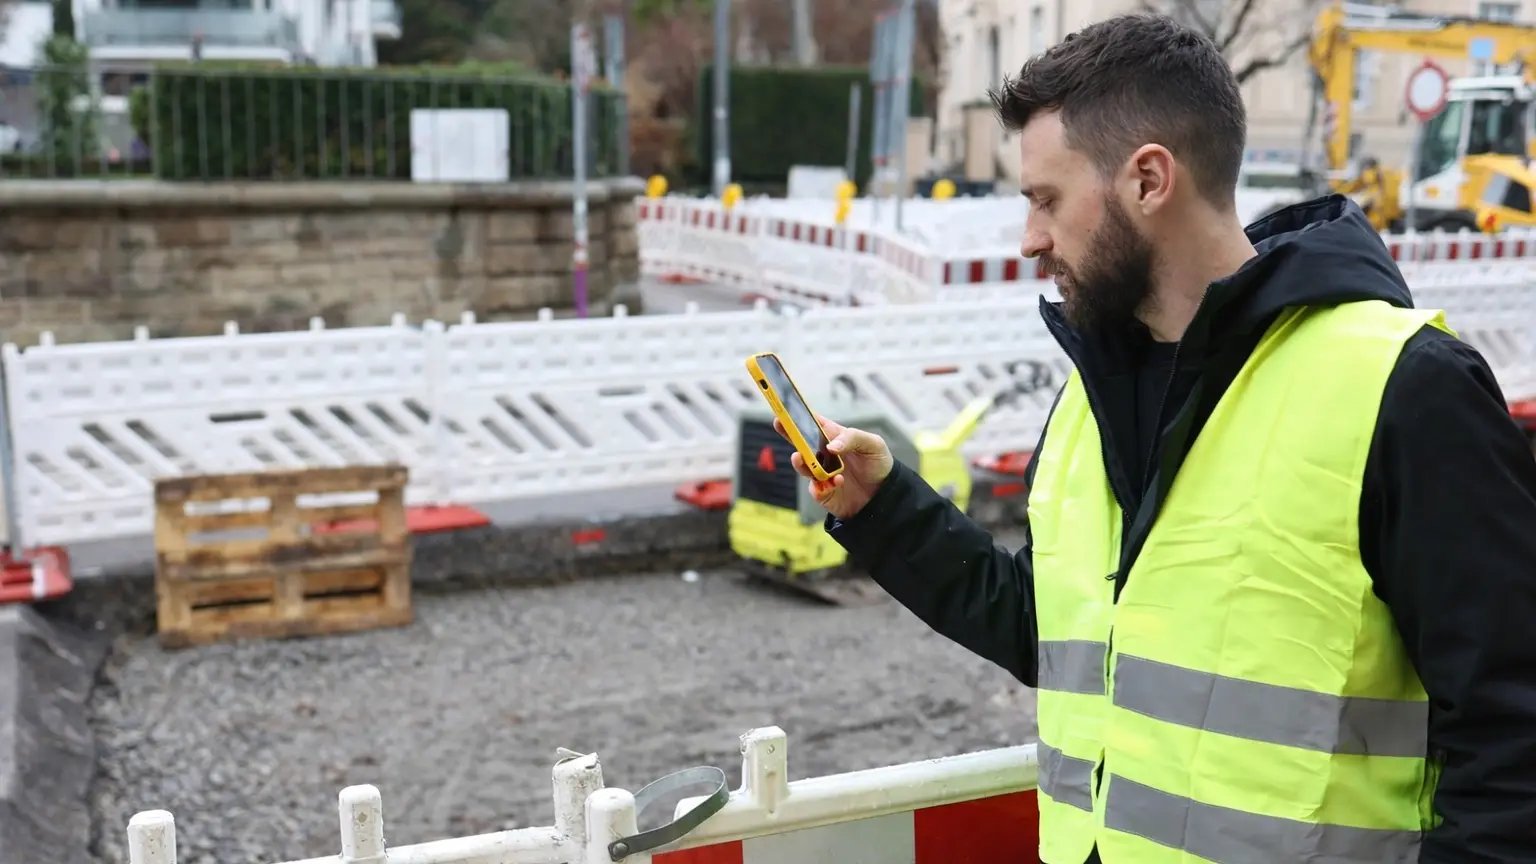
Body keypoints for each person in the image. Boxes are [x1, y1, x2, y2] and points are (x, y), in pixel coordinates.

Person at [779, 14, 1536, 864]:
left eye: (1046, 199)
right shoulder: (1090, 395)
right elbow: (1059, 633)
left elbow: (1513, 747)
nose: (1030, 239)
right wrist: (884, 509)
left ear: (1148, 180)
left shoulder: (1404, 388)